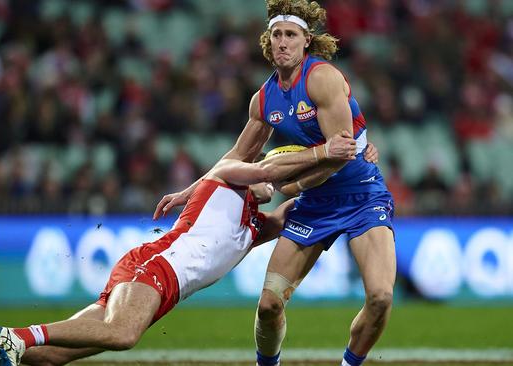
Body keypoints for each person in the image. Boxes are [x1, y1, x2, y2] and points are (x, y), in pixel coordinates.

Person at [0, 133, 370, 366]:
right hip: (153, 267)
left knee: (52, 358)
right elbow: (264, 171)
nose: (277, 181)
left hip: (160, 285)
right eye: (276, 173)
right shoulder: (225, 177)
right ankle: (18, 334)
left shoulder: (254, 225)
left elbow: (305, 202)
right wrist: (318, 153)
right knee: (121, 336)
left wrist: (349, 167)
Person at [153, 1, 395, 366]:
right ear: (268, 42)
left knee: (379, 297)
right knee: (268, 305)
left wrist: (293, 186)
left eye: (291, 35)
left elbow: (339, 155)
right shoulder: (264, 99)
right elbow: (237, 157)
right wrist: (192, 189)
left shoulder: (322, 78)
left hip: (361, 196)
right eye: (277, 35)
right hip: (315, 206)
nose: (282, 42)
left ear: (306, 41)